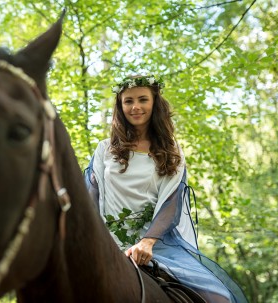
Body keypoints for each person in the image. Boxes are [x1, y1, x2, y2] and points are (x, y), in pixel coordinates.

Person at [84, 75, 248, 303]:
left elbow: (171, 202)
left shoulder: (172, 151)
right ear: (120, 107)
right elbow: (92, 195)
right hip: (107, 241)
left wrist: (147, 242)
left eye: (143, 99)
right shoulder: (105, 149)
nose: (136, 107)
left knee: (220, 298)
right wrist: (95, 240)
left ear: (154, 104)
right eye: (128, 101)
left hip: (156, 244)